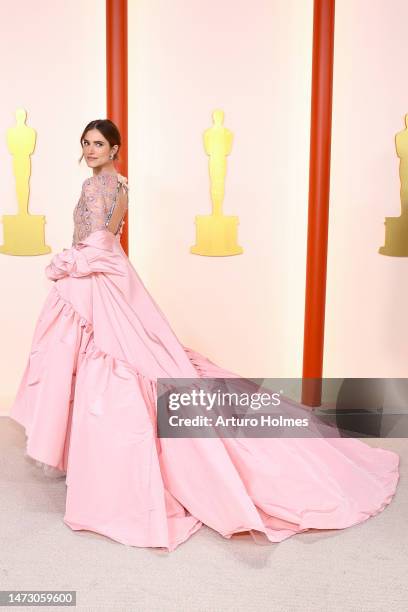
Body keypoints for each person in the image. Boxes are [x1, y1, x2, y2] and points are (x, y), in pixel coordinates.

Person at [10, 119, 400, 552]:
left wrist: (71, 264)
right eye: (86, 143)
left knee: (104, 364)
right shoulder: (122, 185)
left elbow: (96, 240)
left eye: (98, 143)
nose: (90, 149)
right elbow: (110, 239)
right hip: (112, 274)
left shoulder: (94, 186)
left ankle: (107, 470)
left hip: (94, 276)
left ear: (115, 147)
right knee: (132, 362)